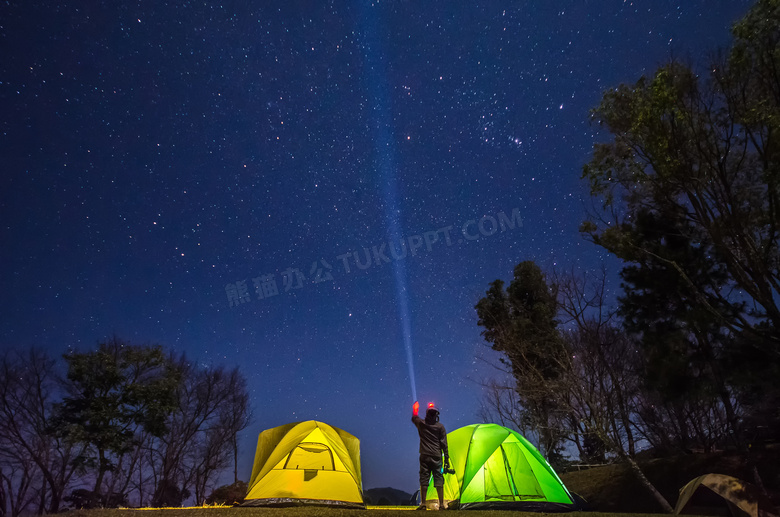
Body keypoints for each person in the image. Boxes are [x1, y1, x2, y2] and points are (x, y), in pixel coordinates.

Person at [411, 401, 449, 510]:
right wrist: (446, 459)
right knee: (438, 479)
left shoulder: (422, 424)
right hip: (436, 456)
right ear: (436, 414)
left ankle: (423, 503)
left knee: (424, 479)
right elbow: (444, 444)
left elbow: (414, 418)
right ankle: (441, 504)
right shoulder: (440, 427)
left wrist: (415, 409)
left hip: (424, 456)